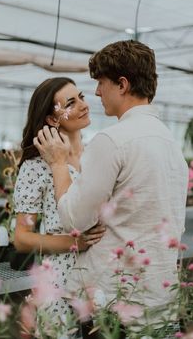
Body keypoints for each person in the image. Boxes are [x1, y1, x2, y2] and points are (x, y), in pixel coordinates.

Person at [34, 40, 189, 336]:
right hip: (159, 302)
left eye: (100, 83)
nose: (95, 92)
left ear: (122, 84)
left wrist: (57, 163)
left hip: (117, 306)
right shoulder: (170, 144)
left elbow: (75, 221)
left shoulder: (113, 140)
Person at [13, 77, 106, 331]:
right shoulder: (36, 167)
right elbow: (21, 238)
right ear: (53, 119)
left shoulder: (98, 157)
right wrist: (74, 242)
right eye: (71, 102)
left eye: (82, 97)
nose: (84, 105)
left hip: (102, 275)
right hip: (59, 281)